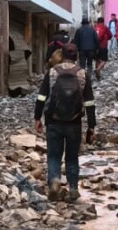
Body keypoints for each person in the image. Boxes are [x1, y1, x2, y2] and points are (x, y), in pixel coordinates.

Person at [34, 45, 97, 202]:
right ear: (76, 56)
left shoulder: (53, 72)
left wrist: (37, 118)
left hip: (53, 121)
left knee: (54, 156)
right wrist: (91, 126)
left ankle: (54, 180)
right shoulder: (83, 74)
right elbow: (89, 102)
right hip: (74, 123)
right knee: (72, 157)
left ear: (62, 55)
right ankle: (73, 188)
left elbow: (41, 97)